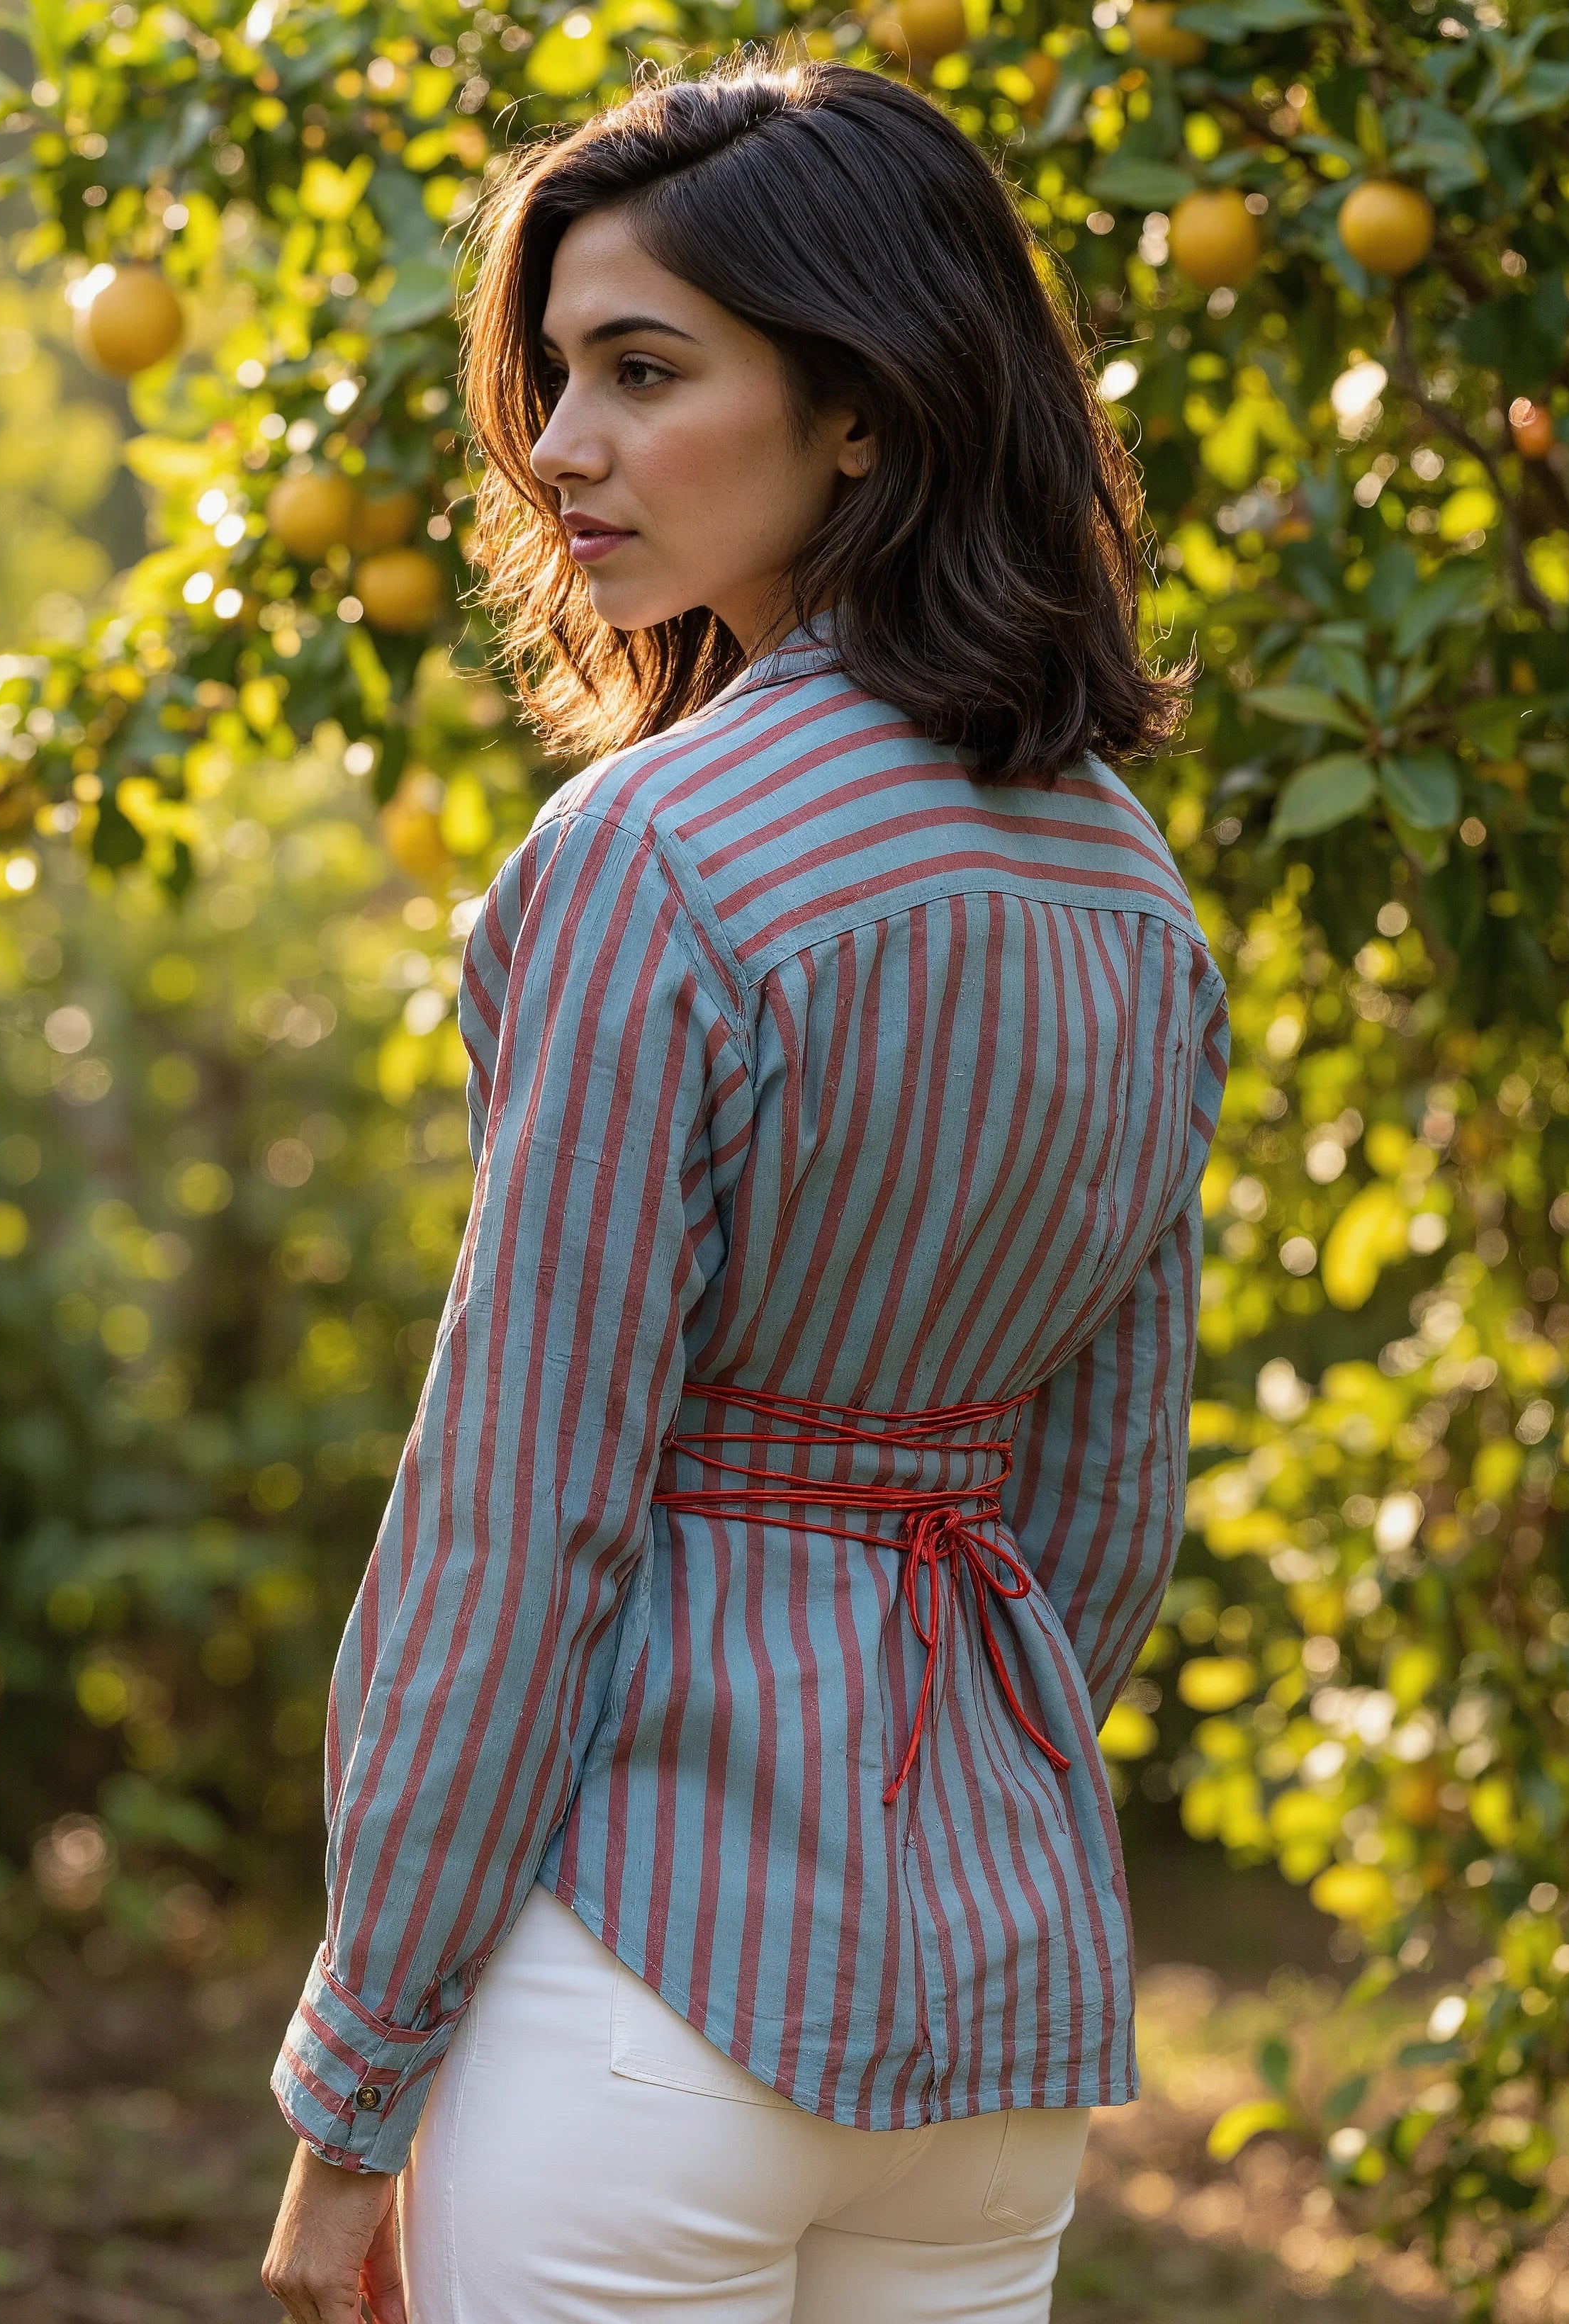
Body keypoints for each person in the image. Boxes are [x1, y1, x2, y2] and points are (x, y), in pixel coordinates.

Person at [262, 54, 1229, 2324]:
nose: (557, 447)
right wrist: (938, 1829)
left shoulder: (655, 859)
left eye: (642, 371)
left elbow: (518, 1521)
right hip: (988, 2036)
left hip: (635, 1995)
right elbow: (1101, 1499)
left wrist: (353, 2091)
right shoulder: (1129, 883)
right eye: (554, 379)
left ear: (867, 408)